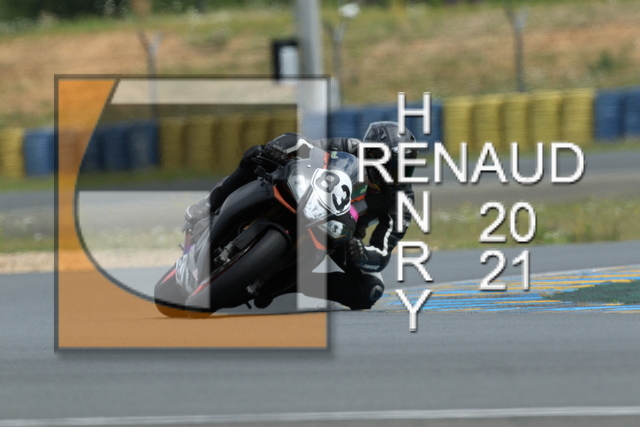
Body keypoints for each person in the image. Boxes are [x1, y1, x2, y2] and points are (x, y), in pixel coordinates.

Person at [184, 121, 418, 310]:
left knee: (369, 290)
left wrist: (362, 253)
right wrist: (279, 148)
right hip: (310, 194)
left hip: (343, 234)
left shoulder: (402, 200)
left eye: (406, 170)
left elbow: (383, 252)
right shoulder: (350, 147)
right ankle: (208, 205)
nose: (399, 177)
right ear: (374, 154)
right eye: (395, 168)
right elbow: (306, 144)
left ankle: (284, 285)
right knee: (257, 155)